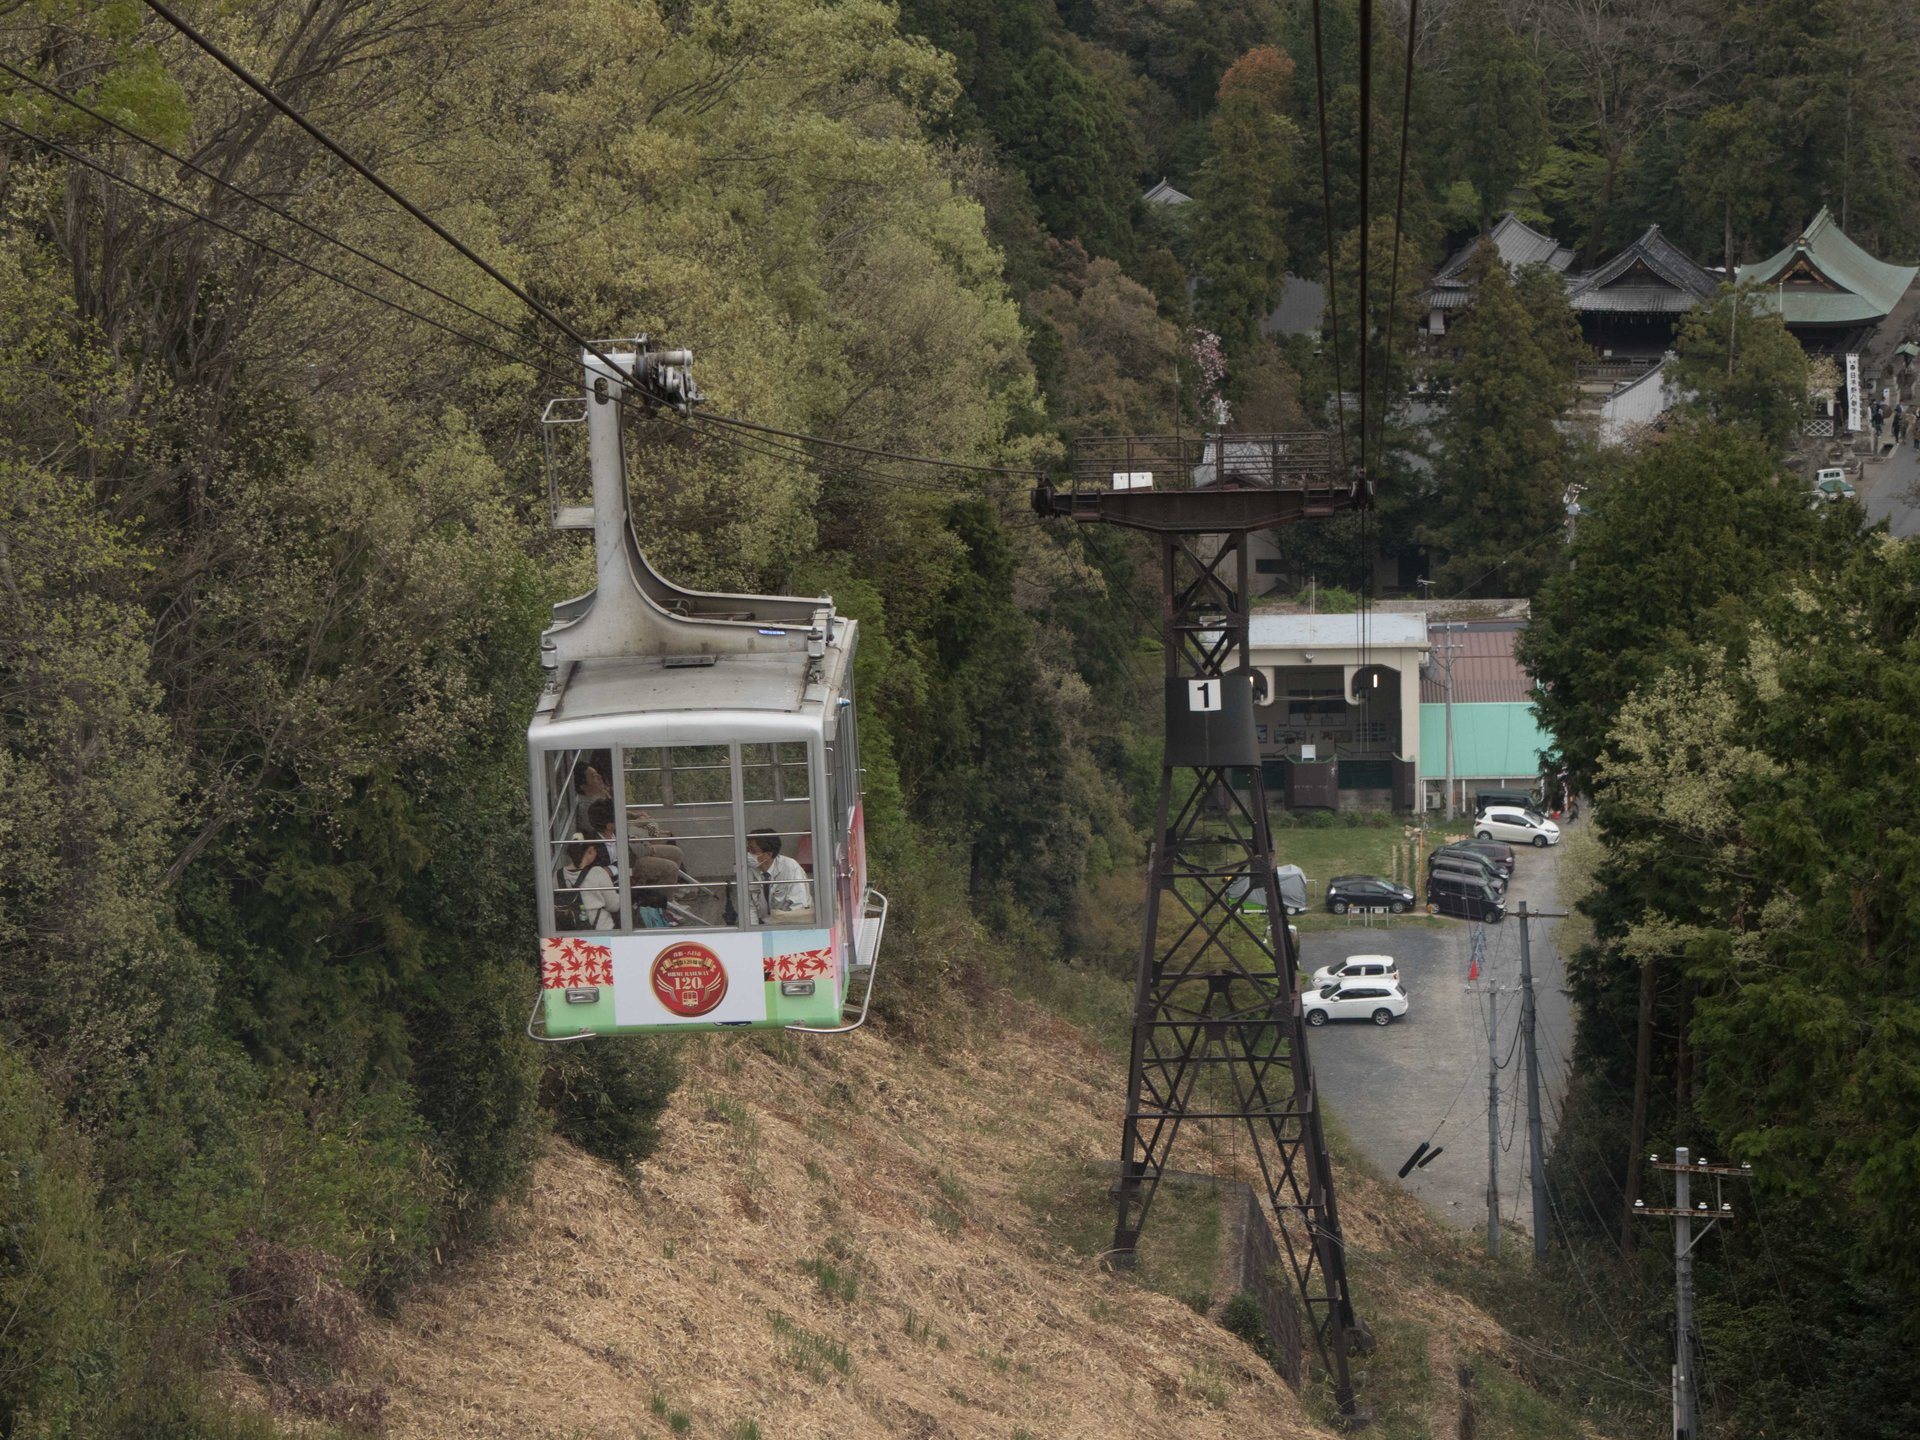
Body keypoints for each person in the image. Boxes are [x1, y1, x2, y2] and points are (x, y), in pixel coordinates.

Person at [746, 829, 812, 924]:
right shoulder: (750, 869)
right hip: (764, 926)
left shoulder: (791, 867)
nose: (748, 855)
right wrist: (752, 932)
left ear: (768, 854)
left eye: (753, 851)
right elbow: (750, 908)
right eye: (747, 850)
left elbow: (798, 906)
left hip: (790, 926)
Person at [561, 835, 619, 931]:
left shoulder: (557, 875)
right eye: (596, 850)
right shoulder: (598, 872)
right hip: (601, 929)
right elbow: (614, 905)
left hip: (568, 931)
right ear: (590, 851)